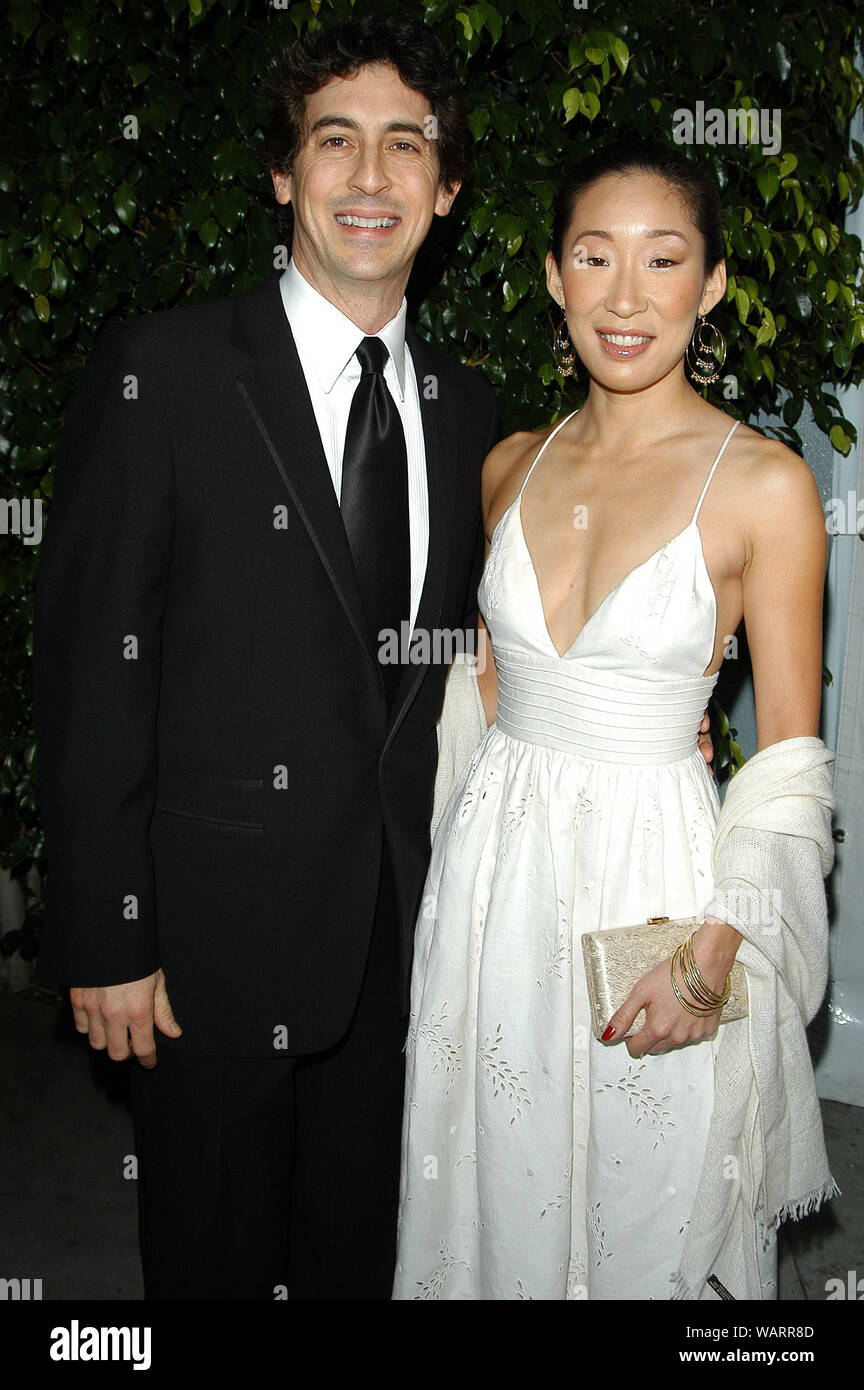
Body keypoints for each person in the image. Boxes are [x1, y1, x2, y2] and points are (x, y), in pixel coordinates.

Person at [32, 15, 498, 1301]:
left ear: (445, 190)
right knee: (213, 1265)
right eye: (333, 140)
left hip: (400, 944)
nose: (369, 177)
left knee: (357, 1262)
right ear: (284, 173)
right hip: (206, 949)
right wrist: (108, 929)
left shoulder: (471, 414)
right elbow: (89, 674)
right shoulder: (163, 372)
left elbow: (463, 666)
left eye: (405, 146)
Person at [393, 140, 837, 1300]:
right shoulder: (506, 466)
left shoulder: (766, 485)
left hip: (660, 889)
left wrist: (715, 954)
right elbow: (481, 688)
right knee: (495, 1177)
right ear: (554, 275)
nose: (627, 297)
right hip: (495, 880)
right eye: (596, 256)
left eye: (664, 259)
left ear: (714, 283)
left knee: (652, 1196)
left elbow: (790, 756)